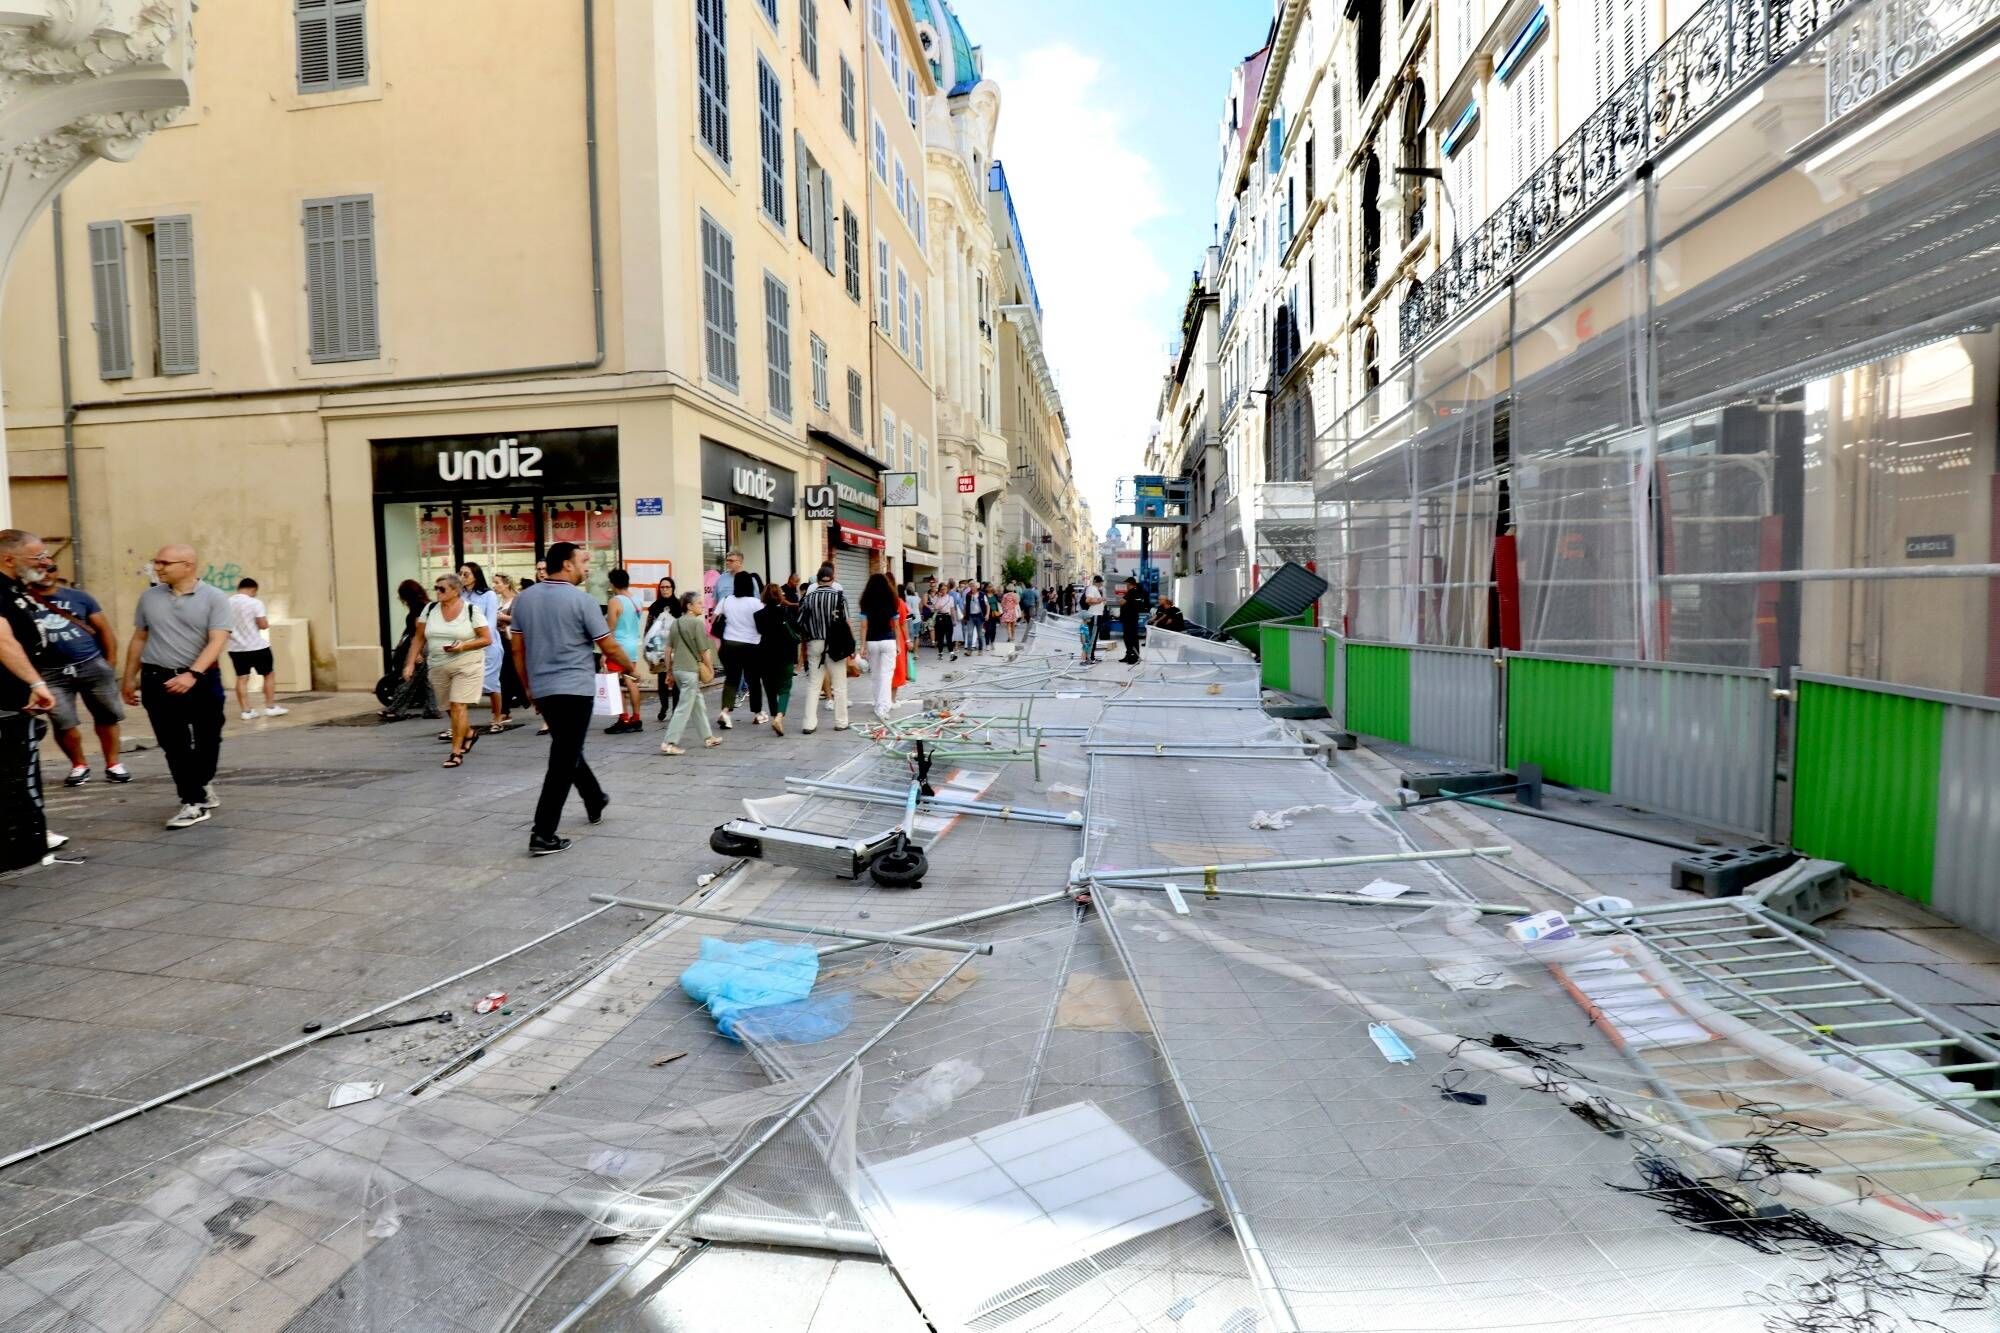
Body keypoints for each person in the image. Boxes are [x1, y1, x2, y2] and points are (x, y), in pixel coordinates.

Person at [508, 541, 632, 855]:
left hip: (545, 690)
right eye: (582, 562)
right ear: (566, 564)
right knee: (562, 760)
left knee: (566, 746)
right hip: (576, 690)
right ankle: (543, 834)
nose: (586, 568)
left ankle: (594, 797)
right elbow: (608, 645)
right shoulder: (583, 601)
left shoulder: (523, 600)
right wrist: (631, 667)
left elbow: (517, 650)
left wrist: (528, 688)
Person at [121, 544, 233, 829]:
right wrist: (128, 677)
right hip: (157, 680)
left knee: (208, 739)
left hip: (202, 680)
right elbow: (139, 638)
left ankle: (202, 782)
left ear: (188, 566)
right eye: (155, 561)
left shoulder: (215, 598)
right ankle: (193, 801)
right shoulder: (149, 597)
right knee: (174, 744)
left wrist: (192, 674)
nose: (157, 567)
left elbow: (217, 640)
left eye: (164, 563)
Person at [26, 558, 128, 787]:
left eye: (50, 568)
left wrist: (109, 664)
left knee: (107, 716)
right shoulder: (23, 601)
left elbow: (105, 631)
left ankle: (113, 764)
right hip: (50, 673)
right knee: (63, 722)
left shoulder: (79, 597)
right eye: (39, 569)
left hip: (91, 665)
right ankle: (79, 765)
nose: (46, 573)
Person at [0, 531, 58, 872]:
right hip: (6, 704)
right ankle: (17, 850)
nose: (45, 563)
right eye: (37, 557)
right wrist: (36, 683)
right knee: (13, 778)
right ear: (10, 559)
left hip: (17, 702)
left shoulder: (15, 589)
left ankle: (26, 843)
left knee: (20, 775)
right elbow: (3, 641)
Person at [405, 572, 492, 769]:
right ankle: (468, 733)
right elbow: (418, 637)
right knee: (449, 708)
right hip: (438, 665)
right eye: (435, 588)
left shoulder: (471, 610)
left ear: (455, 590)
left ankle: (456, 752)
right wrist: (410, 663)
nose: (437, 592)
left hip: (467, 664)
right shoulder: (430, 609)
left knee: (458, 705)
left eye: (442, 588)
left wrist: (462, 646)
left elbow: (486, 639)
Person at [658, 595, 722, 756]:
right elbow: (704, 650)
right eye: (699, 603)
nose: (702, 606)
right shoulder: (696, 623)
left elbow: (667, 650)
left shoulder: (676, 623)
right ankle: (669, 742)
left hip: (679, 670)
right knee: (684, 707)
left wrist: (669, 671)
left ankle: (708, 737)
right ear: (689, 606)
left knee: (697, 702)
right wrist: (710, 667)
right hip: (690, 671)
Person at [797, 562, 852, 733]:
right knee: (840, 685)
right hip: (836, 644)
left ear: (818, 580)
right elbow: (847, 623)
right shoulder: (840, 597)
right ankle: (841, 722)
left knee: (814, 684)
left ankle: (809, 724)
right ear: (833, 579)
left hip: (814, 643)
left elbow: (800, 622)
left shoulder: (808, 598)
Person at [226, 577, 287, 722]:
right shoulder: (255, 603)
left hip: (236, 648)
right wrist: (265, 624)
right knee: (268, 674)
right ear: (253, 589)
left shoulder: (226, 603)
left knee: (242, 677)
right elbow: (262, 624)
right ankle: (270, 707)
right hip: (257, 646)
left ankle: (246, 711)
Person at [459, 562, 507, 734]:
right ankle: (460, 723)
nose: (462, 577)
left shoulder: (488, 595)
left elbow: (491, 622)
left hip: (488, 644)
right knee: (462, 683)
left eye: (466, 574)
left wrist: (481, 638)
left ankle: (497, 718)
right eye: (461, 574)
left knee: (491, 683)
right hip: (468, 644)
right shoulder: (460, 595)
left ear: (475, 576)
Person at [381, 580, 440, 721]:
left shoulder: (419, 607)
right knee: (425, 679)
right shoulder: (424, 605)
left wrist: (417, 653)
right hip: (427, 647)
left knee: (410, 679)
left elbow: (419, 632)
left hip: (421, 648)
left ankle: (396, 709)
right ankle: (432, 709)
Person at [713, 571, 765, 727]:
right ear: (750, 584)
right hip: (751, 645)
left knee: (731, 679)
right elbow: (762, 624)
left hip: (729, 644)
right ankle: (758, 713)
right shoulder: (756, 603)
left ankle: (725, 712)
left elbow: (714, 618)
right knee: (754, 680)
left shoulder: (726, 600)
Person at [602, 568, 645, 735]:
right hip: (632, 645)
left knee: (614, 683)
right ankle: (636, 719)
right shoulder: (637, 601)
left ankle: (623, 719)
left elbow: (610, 628)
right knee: (631, 681)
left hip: (618, 646)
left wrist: (605, 653)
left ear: (613, 584)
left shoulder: (615, 601)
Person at [753, 584, 798, 735]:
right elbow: (796, 630)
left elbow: (760, 631)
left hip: (765, 654)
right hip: (785, 654)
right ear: (779, 596)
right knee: (785, 687)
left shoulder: (758, 615)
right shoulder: (785, 612)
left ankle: (774, 716)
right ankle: (779, 717)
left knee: (770, 688)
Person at [860, 563, 901, 720]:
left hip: (872, 642)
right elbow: (896, 625)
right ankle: (883, 707)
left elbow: (864, 626)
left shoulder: (865, 601)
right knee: (886, 675)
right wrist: (898, 645)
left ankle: (878, 703)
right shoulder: (892, 600)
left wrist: (862, 646)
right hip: (888, 641)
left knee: (876, 674)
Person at [643, 576, 681, 722]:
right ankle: (664, 706)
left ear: (672, 588)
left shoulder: (678, 605)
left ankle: (676, 710)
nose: (665, 590)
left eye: (668, 587)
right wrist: (647, 645)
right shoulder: (655, 606)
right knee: (661, 678)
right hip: (658, 648)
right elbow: (648, 627)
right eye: (662, 587)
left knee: (676, 677)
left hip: (675, 646)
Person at [494, 574, 527, 719]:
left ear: (506, 584)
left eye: (497, 583)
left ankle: (508, 708)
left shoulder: (517, 599)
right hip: (502, 641)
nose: (494, 585)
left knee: (509, 674)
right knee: (506, 675)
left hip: (513, 640)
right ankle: (508, 708)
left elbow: (521, 619)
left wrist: (502, 618)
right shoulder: (499, 600)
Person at [1118, 576, 1150, 664]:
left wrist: (1121, 600)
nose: (1126, 585)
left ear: (1130, 584)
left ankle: (1134, 657)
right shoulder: (1137, 592)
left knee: (1130, 638)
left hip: (1129, 619)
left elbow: (1122, 602)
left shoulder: (1131, 592)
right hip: (1132, 618)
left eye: (1127, 584)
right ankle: (1129, 655)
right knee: (1130, 637)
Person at [1083, 576, 1108, 661]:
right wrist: (1100, 600)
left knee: (1093, 637)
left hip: (1096, 615)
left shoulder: (1095, 589)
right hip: (1095, 615)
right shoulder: (1092, 588)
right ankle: (1089, 657)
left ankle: (1091, 655)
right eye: (1100, 582)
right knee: (1092, 637)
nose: (1100, 584)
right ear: (1096, 581)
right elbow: (1088, 600)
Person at [929, 583, 955, 659]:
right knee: (940, 637)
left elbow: (952, 609)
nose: (943, 591)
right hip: (939, 617)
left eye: (945, 589)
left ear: (947, 589)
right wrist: (939, 598)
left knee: (949, 637)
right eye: (942, 589)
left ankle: (952, 654)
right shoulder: (937, 598)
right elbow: (935, 608)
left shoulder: (950, 598)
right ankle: (940, 653)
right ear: (939, 590)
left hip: (948, 617)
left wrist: (954, 619)